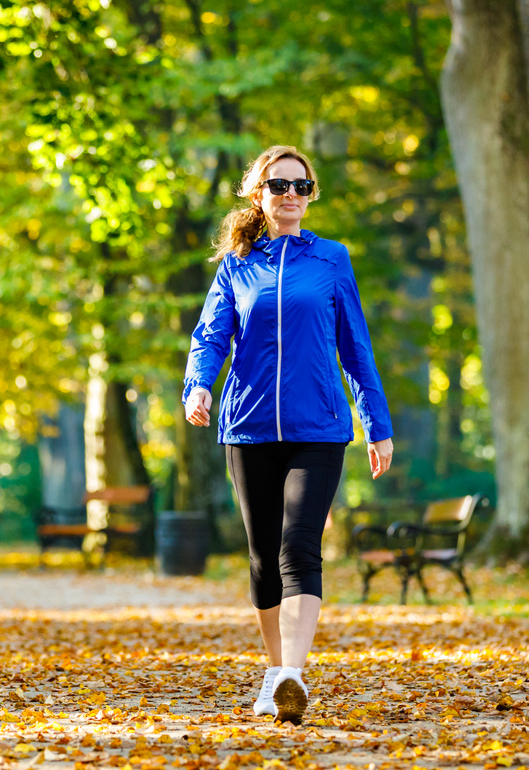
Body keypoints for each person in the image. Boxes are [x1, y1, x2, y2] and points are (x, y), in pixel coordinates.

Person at [183, 145, 394, 725]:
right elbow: (210, 337)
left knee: (299, 546)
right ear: (259, 195)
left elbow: (355, 347)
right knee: (262, 559)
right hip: (248, 427)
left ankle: (294, 675)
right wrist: (198, 386)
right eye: (279, 186)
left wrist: (376, 424)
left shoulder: (331, 259)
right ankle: (275, 672)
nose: (291, 196)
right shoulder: (236, 264)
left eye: (302, 187)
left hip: (319, 427)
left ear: (311, 195)